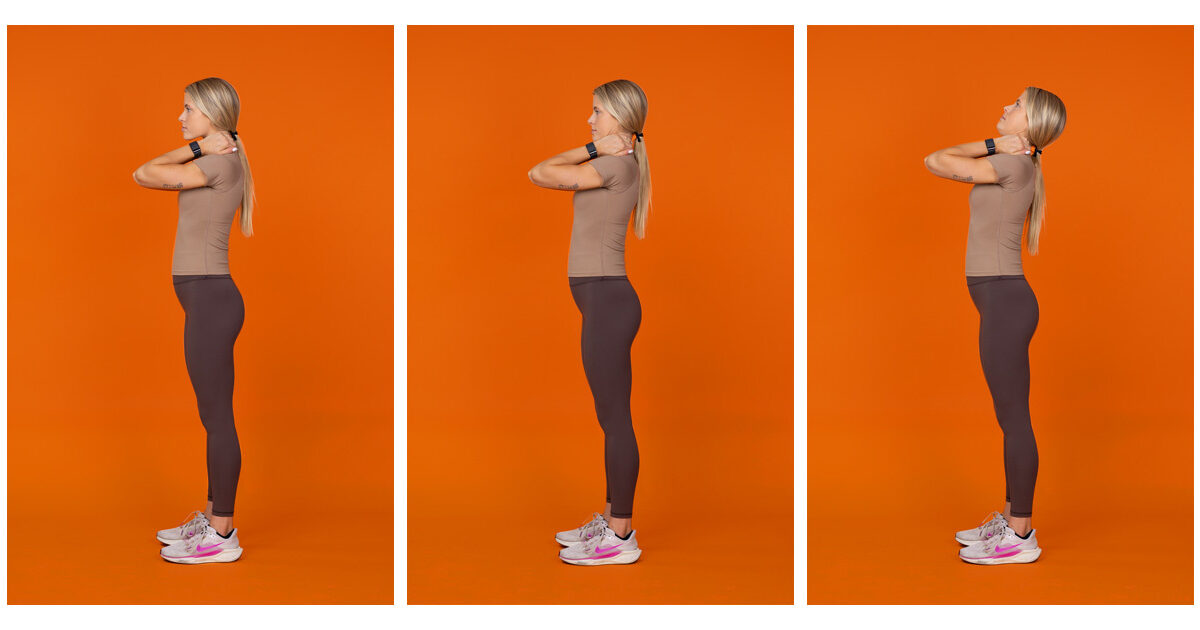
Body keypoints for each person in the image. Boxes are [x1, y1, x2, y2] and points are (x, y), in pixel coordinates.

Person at [923, 86, 1066, 565]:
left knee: (1014, 419)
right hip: (1001, 299)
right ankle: (1010, 517)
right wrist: (994, 144)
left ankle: (1021, 536)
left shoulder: (1012, 164)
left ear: (1028, 124)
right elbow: (937, 159)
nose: (1006, 107)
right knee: (1009, 418)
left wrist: (990, 145)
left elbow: (934, 160)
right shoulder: (1019, 164)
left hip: (1005, 301)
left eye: (1017, 105)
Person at [527, 79, 653, 566]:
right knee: (609, 417)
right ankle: (610, 518)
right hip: (602, 300)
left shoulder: (614, 164)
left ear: (618, 118)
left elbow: (538, 172)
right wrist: (593, 145)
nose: (589, 119)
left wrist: (589, 148)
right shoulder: (616, 162)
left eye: (596, 111)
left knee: (615, 418)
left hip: (607, 301)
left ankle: (621, 537)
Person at [132, 77, 258, 564]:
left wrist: (194, 146)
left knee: (218, 418)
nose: (181, 118)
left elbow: (143, 172)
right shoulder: (217, 160)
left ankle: (223, 535)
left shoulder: (218, 163)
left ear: (211, 116)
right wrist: (198, 143)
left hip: (211, 300)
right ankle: (211, 516)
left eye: (189, 110)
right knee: (212, 417)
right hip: (206, 299)